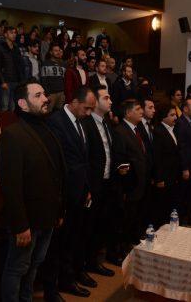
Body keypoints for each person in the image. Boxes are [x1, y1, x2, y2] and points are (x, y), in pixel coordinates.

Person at [0, 79, 65, 302]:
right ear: (22, 104)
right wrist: (20, 225)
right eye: (37, 95)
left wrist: (58, 212)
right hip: (27, 222)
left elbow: (55, 175)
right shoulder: (12, 135)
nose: (46, 99)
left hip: (47, 217)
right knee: (17, 269)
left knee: (34, 266)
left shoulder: (47, 128)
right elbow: (10, 186)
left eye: (44, 94)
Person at [45, 86, 96, 298]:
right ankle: (54, 287)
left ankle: (70, 277)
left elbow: (84, 159)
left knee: (74, 238)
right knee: (58, 244)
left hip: (79, 192)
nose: (89, 113)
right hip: (63, 195)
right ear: (74, 102)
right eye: (87, 108)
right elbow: (58, 163)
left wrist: (87, 189)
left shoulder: (82, 121)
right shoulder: (56, 122)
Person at [81, 85, 121, 276]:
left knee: (100, 226)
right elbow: (85, 158)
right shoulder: (86, 123)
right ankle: (82, 266)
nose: (110, 101)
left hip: (107, 183)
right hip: (92, 185)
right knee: (87, 228)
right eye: (106, 98)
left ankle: (94, 261)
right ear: (95, 102)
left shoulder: (106, 123)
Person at [113, 99, 150, 251]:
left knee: (135, 218)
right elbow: (122, 161)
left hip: (140, 184)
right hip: (129, 186)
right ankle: (121, 248)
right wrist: (126, 189)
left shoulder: (137, 129)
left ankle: (132, 242)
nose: (142, 111)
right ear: (128, 113)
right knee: (125, 220)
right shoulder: (120, 131)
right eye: (138, 109)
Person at [174, 99, 191, 225]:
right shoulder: (180, 123)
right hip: (186, 167)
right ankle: (182, 219)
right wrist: (184, 168)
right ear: (185, 109)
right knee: (183, 195)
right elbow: (181, 147)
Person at [152, 105, 179, 227]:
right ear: (163, 117)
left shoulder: (173, 130)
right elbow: (157, 157)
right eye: (172, 115)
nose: (175, 117)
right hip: (164, 176)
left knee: (170, 203)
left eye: (175, 115)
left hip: (172, 174)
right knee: (161, 205)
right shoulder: (158, 131)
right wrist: (159, 178)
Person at [0, 26, 22, 111]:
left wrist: (20, 81)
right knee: (4, 107)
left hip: (15, 81)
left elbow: (19, 65)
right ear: (6, 34)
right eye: (11, 33)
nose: (14, 35)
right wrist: (2, 81)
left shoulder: (16, 48)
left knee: (13, 107)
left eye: (15, 33)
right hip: (5, 81)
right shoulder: (0, 46)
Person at [41, 43, 67, 112]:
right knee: (48, 114)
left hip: (61, 93)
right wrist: (47, 93)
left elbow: (65, 79)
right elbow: (43, 80)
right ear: (51, 52)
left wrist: (64, 93)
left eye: (59, 50)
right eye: (55, 51)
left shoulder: (63, 64)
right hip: (51, 94)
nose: (58, 52)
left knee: (59, 114)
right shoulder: (46, 63)